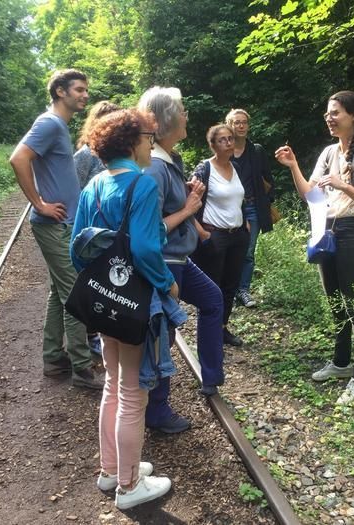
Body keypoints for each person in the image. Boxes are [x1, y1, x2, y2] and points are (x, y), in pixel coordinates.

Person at [70, 109, 175, 509]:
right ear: (133, 142)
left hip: (102, 302)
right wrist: (167, 281)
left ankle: (110, 470)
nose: (151, 143)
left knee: (114, 385)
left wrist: (100, 283)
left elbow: (75, 249)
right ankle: (129, 488)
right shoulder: (143, 185)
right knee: (133, 392)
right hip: (135, 302)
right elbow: (147, 248)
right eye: (149, 137)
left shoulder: (94, 185)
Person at [274, 90, 354, 404]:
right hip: (327, 230)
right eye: (327, 112)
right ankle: (340, 363)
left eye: (335, 112)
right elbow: (311, 195)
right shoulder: (327, 153)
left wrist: (343, 185)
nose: (329, 117)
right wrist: (293, 165)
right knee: (335, 302)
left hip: (351, 232)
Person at [9, 69, 104, 390]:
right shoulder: (49, 123)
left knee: (58, 293)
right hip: (54, 224)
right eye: (79, 89)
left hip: (63, 224)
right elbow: (18, 158)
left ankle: (53, 358)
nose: (84, 95)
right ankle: (82, 368)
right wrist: (39, 203)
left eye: (86, 90)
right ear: (60, 92)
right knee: (75, 294)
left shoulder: (58, 125)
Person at [138, 87, 225, 432]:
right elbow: (148, 228)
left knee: (212, 299)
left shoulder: (169, 158)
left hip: (181, 258)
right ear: (166, 120)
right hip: (164, 262)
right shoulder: (156, 168)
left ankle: (211, 376)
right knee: (165, 334)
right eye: (183, 110)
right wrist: (189, 208)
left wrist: (187, 200)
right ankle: (157, 412)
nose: (187, 115)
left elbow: (172, 209)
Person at [191, 124, 249, 347]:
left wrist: (245, 222)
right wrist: (202, 233)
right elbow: (188, 204)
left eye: (230, 139)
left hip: (237, 236)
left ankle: (222, 328)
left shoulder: (236, 168)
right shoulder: (204, 169)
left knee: (230, 285)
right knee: (211, 287)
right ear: (212, 145)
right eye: (222, 140)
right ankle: (208, 334)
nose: (228, 143)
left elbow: (240, 197)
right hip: (214, 235)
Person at [73, 100, 119, 357]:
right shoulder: (85, 155)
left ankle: (108, 330)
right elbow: (75, 189)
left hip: (113, 230)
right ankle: (92, 335)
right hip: (93, 231)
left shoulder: (121, 154)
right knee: (93, 282)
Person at [225, 109, 275, 308]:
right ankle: (228, 288)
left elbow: (268, 179)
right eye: (236, 122)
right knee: (229, 248)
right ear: (229, 125)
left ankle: (243, 290)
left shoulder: (257, 151)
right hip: (228, 207)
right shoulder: (224, 150)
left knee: (248, 250)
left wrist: (267, 200)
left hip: (253, 206)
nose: (241, 126)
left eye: (244, 122)